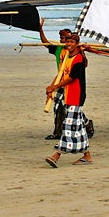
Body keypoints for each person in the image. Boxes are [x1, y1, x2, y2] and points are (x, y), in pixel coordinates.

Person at [45, 32, 92, 167]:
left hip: (76, 96)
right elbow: (61, 74)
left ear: (76, 44)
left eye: (72, 42)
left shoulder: (78, 59)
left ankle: (56, 155)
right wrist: (52, 88)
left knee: (68, 126)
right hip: (69, 95)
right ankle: (87, 155)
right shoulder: (67, 56)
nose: (69, 44)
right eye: (68, 42)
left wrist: (54, 86)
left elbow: (71, 78)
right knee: (78, 127)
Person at [38, 18, 72, 140]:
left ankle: (87, 125)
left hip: (70, 82)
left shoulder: (73, 50)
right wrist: (40, 29)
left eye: (64, 38)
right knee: (57, 106)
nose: (62, 41)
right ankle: (58, 132)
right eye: (61, 38)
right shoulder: (58, 48)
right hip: (59, 82)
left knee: (70, 108)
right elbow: (45, 43)